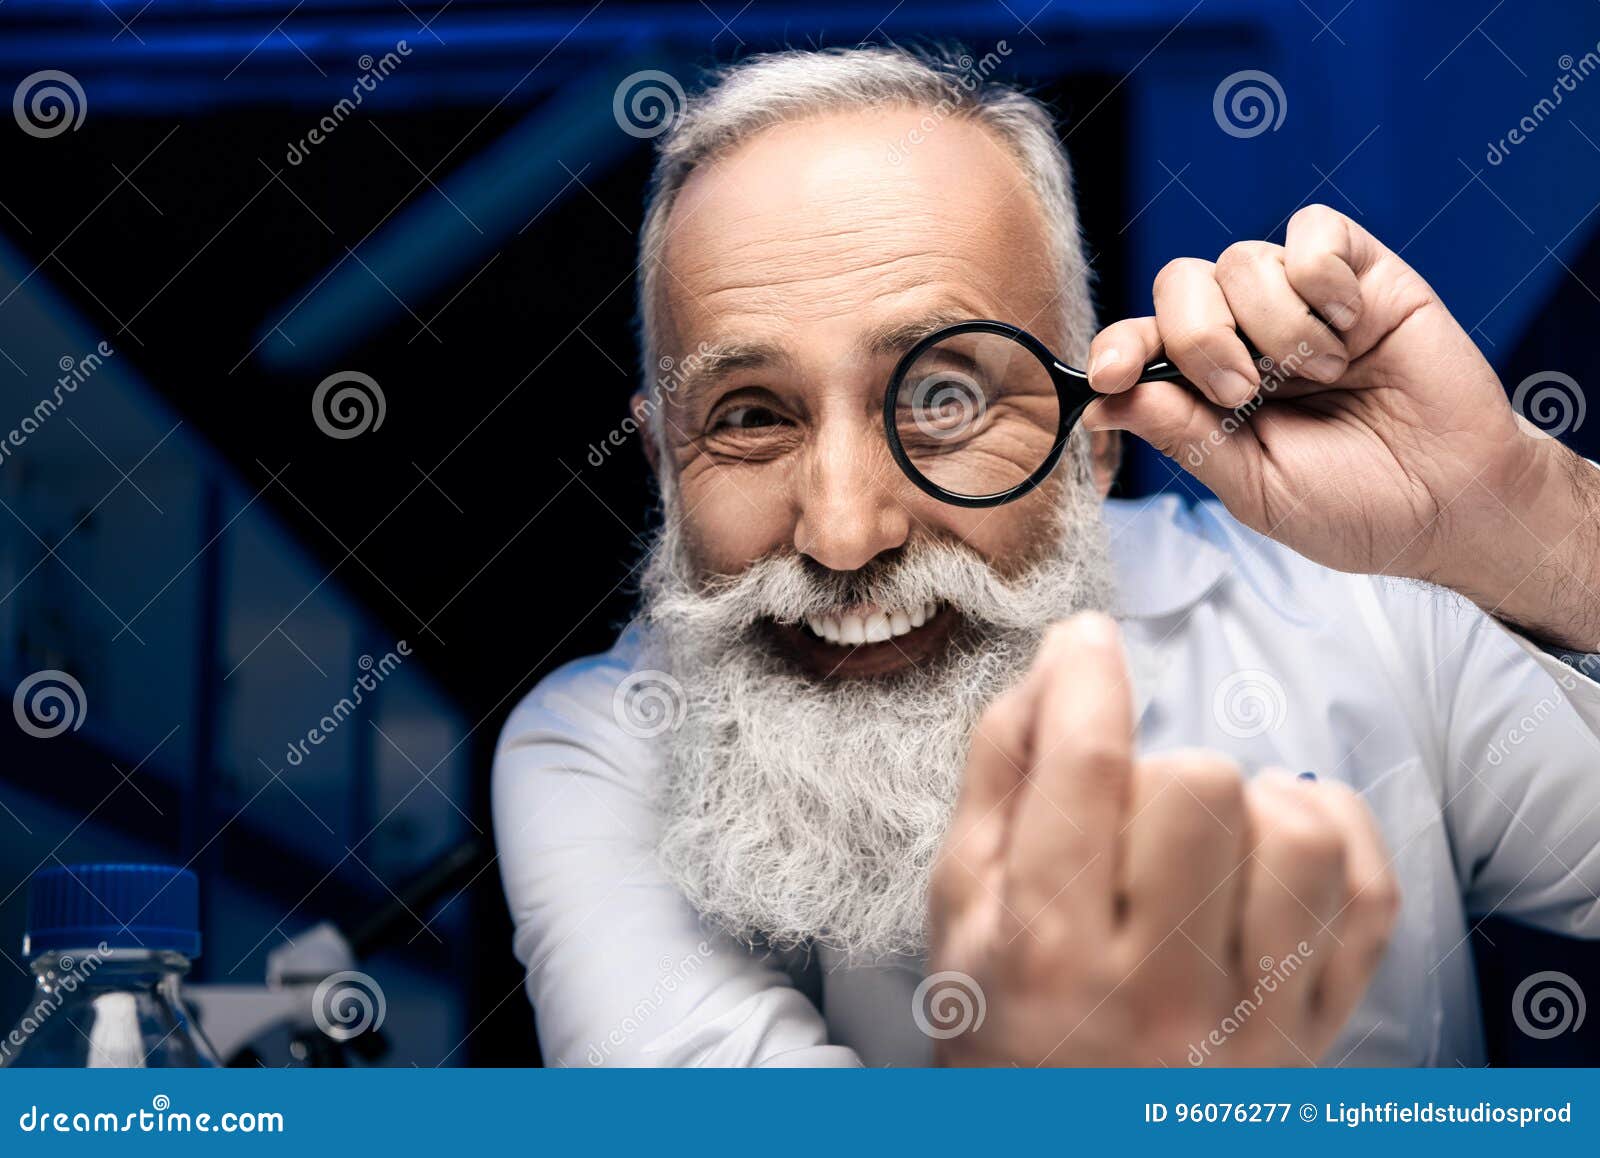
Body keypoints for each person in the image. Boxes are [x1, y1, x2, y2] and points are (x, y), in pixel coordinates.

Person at [492, 46, 1600, 1066]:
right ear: (662, 464)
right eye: (747, 418)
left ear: (1093, 437)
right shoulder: (599, 753)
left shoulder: (1367, 612)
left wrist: (1530, 518)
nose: (842, 532)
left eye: (942, 399)